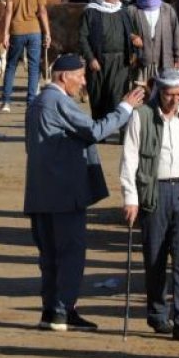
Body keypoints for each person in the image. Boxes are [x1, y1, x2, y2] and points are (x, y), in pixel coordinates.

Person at [26, 54, 143, 331]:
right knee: (70, 255)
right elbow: (95, 130)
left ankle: (52, 311)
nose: (83, 82)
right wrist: (125, 107)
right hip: (64, 195)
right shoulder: (57, 101)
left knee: (50, 257)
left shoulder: (37, 102)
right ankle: (62, 311)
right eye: (79, 76)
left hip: (41, 194)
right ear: (63, 76)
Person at [120, 69, 179, 339]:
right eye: (170, 95)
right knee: (155, 258)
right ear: (160, 92)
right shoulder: (141, 116)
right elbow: (129, 159)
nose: (175, 100)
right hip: (154, 193)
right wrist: (130, 198)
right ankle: (158, 314)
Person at [80, 0, 135, 120]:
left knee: (118, 96)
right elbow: (82, 38)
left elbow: (129, 33)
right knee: (98, 97)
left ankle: (120, 127)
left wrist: (134, 45)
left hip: (120, 61)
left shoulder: (122, 11)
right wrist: (90, 58)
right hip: (99, 61)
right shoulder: (91, 12)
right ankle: (100, 128)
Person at [0, 0, 50, 112]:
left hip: (16, 30)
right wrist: (47, 32)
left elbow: (8, 11)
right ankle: (31, 101)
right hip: (34, 30)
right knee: (34, 67)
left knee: (11, 65)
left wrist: (5, 33)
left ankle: (6, 101)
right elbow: (42, 12)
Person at [129, 0, 179, 82]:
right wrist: (132, 37)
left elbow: (176, 34)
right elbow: (125, 31)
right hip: (142, 61)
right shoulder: (133, 10)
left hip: (165, 61)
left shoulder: (167, 9)